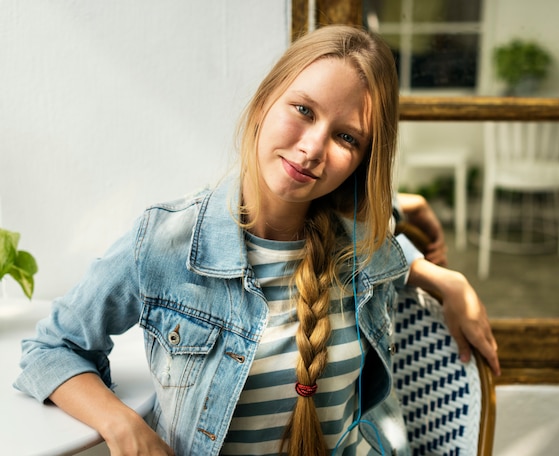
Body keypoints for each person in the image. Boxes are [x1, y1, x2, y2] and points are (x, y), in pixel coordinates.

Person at [15, 25, 497, 456]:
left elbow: (378, 224)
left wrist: (441, 278)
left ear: (361, 161)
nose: (312, 149)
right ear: (266, 100)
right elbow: (52, 348)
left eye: (346, 138)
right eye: (303, 109)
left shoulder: (363, 249)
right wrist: (122, 424)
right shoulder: (165, 244)